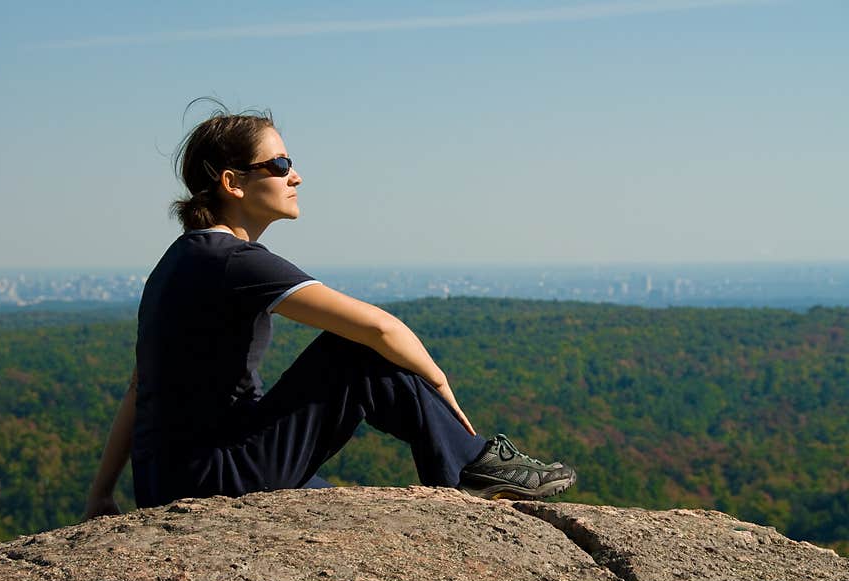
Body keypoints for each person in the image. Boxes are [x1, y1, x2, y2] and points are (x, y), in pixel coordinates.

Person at [82, 100, 576, 521]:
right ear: (233, 183)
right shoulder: (232, 261)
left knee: (343, 504)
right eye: (279, 165)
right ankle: (470, 468)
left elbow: (139, 385)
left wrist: (101, 492)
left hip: (172, 479)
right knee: (355, 353)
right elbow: (380, 328)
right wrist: (441, 388)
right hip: (217, 474)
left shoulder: (179, 261)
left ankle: (464, 470)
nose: (295, 175)